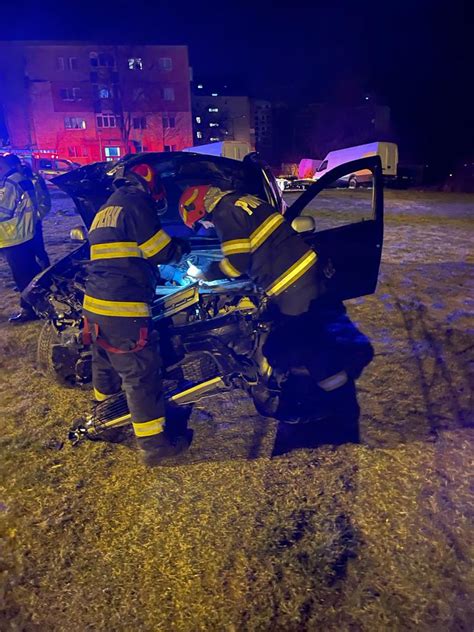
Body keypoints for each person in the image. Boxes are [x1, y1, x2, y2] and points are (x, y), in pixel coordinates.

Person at [178, 185, 373, 422]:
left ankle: (327, 405)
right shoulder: (243, 199)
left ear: (199, 207)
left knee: (304, 345)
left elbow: (237, 263)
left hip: (292, 282)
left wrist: (205, 274)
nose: (207, 227)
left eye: (203, 222)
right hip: (305, 273)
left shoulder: (223, 212)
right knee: (310, 339)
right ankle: (330, 397)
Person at [83, 161, 191, 466]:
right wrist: (181, 248)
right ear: (149, 186)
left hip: (94, 304)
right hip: (123, 306)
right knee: (140, 373)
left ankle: (104, 421)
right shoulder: (137, 202)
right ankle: (154, 445)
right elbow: (158, 249)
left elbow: (123, 253)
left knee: (103, 363)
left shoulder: (106, 209)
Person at [0, 155, 40, 323]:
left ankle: (29, 310)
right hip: (25, 235)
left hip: (13, 237)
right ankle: (39, 305)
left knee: (22, 277)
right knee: (31, 273)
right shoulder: (22, 179)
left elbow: (3, 212)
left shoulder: (9, 184)